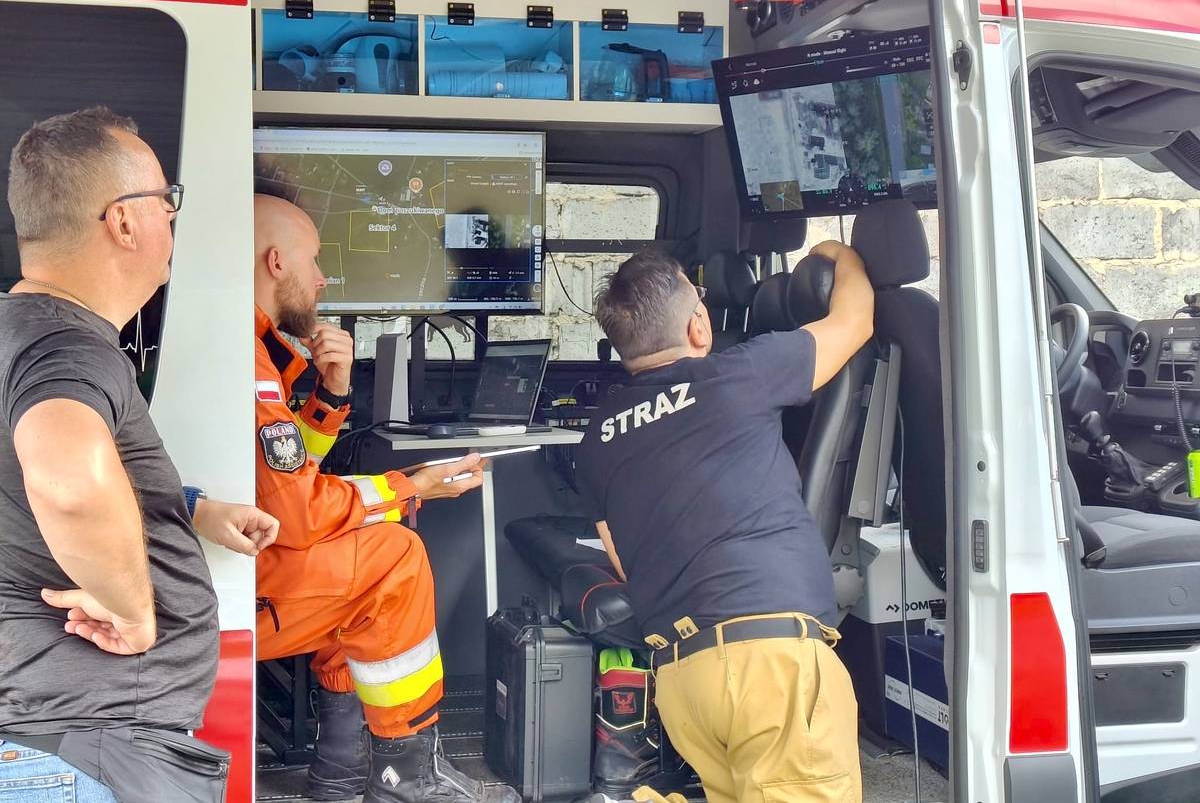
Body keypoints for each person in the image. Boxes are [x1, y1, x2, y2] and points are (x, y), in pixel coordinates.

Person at [0, 107, 279, 800]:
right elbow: (67, 478)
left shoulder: (19, 334)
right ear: (123, 221)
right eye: (166, 199)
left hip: (58, 738)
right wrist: (131, 610)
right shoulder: (65, 347)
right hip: (94, 747)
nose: (172, 217)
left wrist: (188, 508)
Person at [574, 245, 875, 803]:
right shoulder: (742, 373)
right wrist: (842, 253)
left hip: (684, 682)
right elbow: (855, 320)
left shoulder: (596, 440)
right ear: (698, 323)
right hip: (773, 667)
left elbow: (622, 559)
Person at [252, 192, 520, 803]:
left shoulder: (255, 351)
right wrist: (412, 487)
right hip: (232, 580)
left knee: (358, 551)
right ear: (276, 262)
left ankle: (342, 768)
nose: (322, 279)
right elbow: (296, 511)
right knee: (392, 559)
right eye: (314, 261)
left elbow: (287, 475)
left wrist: (331, 392)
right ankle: (407, 779)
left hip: (236, 556)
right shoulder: (251, 363)